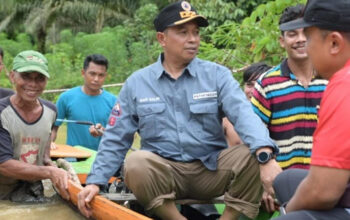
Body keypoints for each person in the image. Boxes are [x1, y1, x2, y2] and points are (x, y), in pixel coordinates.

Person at [77, 1, 281, 220]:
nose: (193, 39)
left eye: (196, 32)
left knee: (253, 153)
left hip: (211, 171)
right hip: (165, 174)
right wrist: (95, 182)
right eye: (183, 32)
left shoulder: (217, 75)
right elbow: (116, 137)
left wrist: (265, 156)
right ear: (162, 39)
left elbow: (245, 116)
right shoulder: (137, 83)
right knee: (136, 162)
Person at [272, 0, 350, 219]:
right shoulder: (269, 83)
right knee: (286, 180)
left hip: (331, 189)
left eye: (308, 38)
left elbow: (323, 191)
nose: (304, 46)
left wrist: (287, 211)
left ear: (334, 43)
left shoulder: (344, 84)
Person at [251, 4, 328, 171]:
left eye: (306, 33)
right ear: (281, 41)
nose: (300, 39)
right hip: (282, 182)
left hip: (324, 180)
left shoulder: (330, 79)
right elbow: (254, 135)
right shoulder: (267, 84)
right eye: (293, 34)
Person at [0, 50, 69, 201]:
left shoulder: (51, 111)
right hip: (3, 195)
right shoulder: (2, 113)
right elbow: (3, 164)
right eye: (25, 77)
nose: (32, 84)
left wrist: (49, 163)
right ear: (12, 76)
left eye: (40, 78)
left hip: (34, 192)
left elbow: (43, 151)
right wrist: (49, 172)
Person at [51, 54, 116, 151]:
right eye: (92, 74)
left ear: (105, 76)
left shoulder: (114, 101)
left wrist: (103, 132)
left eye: (101, 75)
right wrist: (50, 142)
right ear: (83, 73)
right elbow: (53, 128)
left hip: (104, 159)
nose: (96, 79)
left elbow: (122, 134)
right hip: (74, 158)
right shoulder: (66, 98)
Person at [223, 62, 272, 147]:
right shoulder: (227, 118)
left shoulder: (280, 117)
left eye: (259, 85)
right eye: (249, 85)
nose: (253, 91)